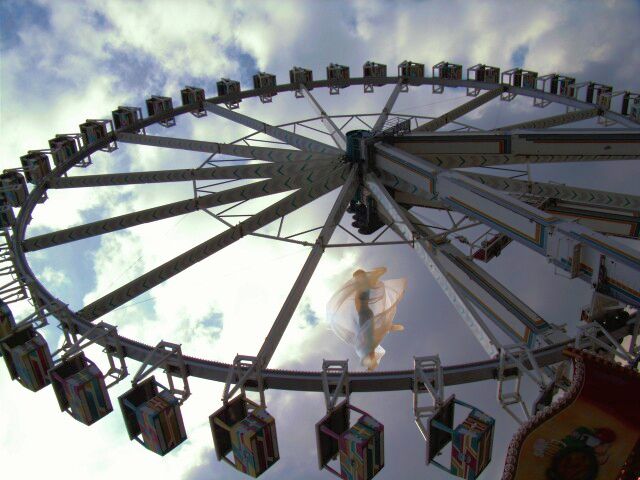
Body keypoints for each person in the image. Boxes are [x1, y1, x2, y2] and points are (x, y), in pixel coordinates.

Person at [327, 267, 406, 371]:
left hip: (365, 314)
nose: (356, 280)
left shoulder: (364, 286)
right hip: (365, 315)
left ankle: (387, 328)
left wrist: (377, 273)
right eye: (357, 278)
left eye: (358, 277)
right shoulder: (361, 287)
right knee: (368, 338)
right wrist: (377, 273)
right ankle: (387, 327)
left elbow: (370, 282)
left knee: (368, 339)